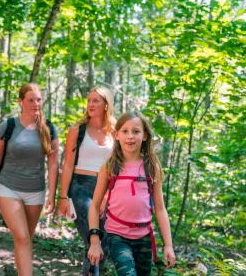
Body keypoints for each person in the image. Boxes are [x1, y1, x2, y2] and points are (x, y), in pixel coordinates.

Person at [87, 111, 176, 276]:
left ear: (144, 136)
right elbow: (94, 206)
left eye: (136, 131)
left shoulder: (151, 167)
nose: (130, 136)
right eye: (125, 131)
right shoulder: (109, 167)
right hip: (117, 236)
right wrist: (94, 241)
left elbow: (160, 209)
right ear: (117, 135)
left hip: (144, 237)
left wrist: (168, 245)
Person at [0, 83, 59, 276]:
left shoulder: (49, 128)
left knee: (24, 240)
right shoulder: (8, 126)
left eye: (39, 100)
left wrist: (53, 194)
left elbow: (53, 164)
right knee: (23, 237)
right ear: (21, 102)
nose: (36, 104)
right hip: (8, 188)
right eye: (31, 100)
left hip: (36, 191)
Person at [58, 86, 116, 276]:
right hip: (80, 187)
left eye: (95, 101)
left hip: (106, 189)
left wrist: (109, 194)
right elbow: (67, 165)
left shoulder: (116, 131)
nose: (90, 104)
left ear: (106, 105)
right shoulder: (77, 129)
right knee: (93, 238)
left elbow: (119, 165)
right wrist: (63, 197)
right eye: (89, 100)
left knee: (105, 243)